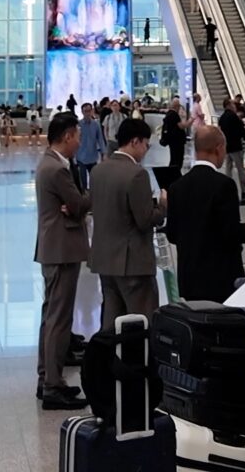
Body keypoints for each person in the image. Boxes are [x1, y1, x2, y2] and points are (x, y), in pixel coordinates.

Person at [34, 114, 92, 410]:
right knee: (59, 319)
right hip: (61, 248)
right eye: (77, 136)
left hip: (54, 248)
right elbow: (79, 205)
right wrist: (87, 197)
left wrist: (75, 204)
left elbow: (74, 205)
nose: (79, 142)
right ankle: (53, 385)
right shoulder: (57, 169)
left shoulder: (49, 163)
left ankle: (47, 376)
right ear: (67, 136)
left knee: (51, 315)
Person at [90, 117, 167, 322]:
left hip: (104, 259)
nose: (146, 150)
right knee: (142, 320)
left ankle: (110, 346)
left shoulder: (98, 171)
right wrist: (162, 206)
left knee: (111, 320)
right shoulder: (136, 174)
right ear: (135, 141)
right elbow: (145, 220)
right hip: (132, 263)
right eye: (146, 145)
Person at [168, 124, 245, 302]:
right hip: (221, 277)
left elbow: (172, 234)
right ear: (219, 148)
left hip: (189, 278)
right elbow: (231, 233)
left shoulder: (176, 187)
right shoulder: (224, 185)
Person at [219, 100, 245, 202]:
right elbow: (241, 130)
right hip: (235, 147)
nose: (234, 106)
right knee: (240, 169)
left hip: (226, 147)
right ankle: (244, 191)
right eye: (233, 104)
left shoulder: (222, 118)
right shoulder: (234, 117)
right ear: (229, 105)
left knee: (228, 169)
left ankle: (227, 190)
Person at [74, 103, 106, 193]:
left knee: (94, 179)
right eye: (85, 111)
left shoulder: (96, 124)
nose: (87, 113)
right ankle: (84, 194)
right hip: (81, 156)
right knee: (83, 180)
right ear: (82, 112)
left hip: (93, 156)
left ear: (92, 111)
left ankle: (93, 194)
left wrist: (103, 152)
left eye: (89, 111)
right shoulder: (78, 125)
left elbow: (100, 139)